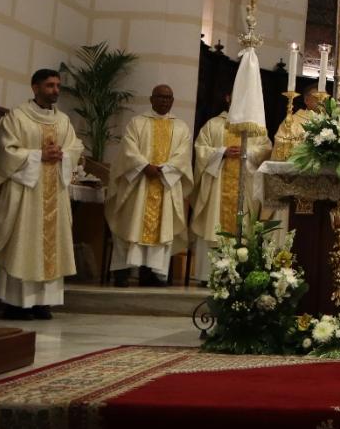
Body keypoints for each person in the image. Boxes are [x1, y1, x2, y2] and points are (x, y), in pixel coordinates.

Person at [0, 68, 83, 320]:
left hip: (54, 191)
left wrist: (63, 155)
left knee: (50, 247)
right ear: (35, 87)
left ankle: (42, 302)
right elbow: (5, 152)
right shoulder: (17, 117)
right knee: (23, 243)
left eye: (58, 86)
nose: (55, 90)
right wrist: (39, 155)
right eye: (50, 85)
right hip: (24, 193)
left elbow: (75, 147)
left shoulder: (62, 121)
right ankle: (15, 303)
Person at [104, 85, 193, 287]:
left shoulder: (181, 127)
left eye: (168, 97)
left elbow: (183, 154)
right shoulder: (137, 123)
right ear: (152, 99)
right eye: (160, 97)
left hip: (165, 184)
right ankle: (123, 272)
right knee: (130, 224)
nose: (164, 100)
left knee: (162, 228)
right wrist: (144, 166)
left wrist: (164, 169)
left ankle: (153, 273)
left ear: (172, 100)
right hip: (138, 185)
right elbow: (129, 148)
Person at [190, 97, 272, 282]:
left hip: (245, 184)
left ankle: (239, 274)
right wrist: (222, 152)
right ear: (227, 98)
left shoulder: (255, 127)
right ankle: (208, 275)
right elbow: (201, 149)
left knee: (243, 230)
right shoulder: (213, 124)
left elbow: (266, 149)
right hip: (218, 184)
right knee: (214, 227)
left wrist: (247, 153)